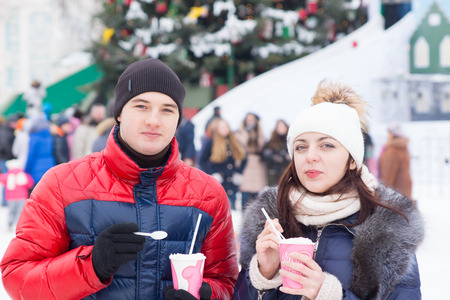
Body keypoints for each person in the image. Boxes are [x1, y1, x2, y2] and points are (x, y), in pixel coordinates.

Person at [1, 58, 238, 300]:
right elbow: (17, 277)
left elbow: (227, 283)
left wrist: (207, 296)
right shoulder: (62, 184)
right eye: (141, 106)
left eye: (167, 109)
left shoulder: (208, 194)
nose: (154, 120)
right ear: (119, 114)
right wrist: (91, 266)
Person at [232, 81, 424, 299]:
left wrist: (331, 294)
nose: (311, 156)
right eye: (301, 147)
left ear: (352, 160)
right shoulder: (269, 221)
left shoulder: (388, 226)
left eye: (327, 145)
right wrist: (263, 277)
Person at [198, 118, 247, 210]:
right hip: (218, 181)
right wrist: (211, 174)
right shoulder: (210, 142)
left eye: (226, 126)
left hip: (232, 182)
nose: (225, 129)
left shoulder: (234, 141)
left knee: (232, 209)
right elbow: (201, 160)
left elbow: (244, 157)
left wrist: (239, 172)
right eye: (222, 127)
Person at [235, 112, 267, 210]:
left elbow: (262, 145)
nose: (250, 122)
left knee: (256, 196)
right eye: (248, 120)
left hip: (257, 165)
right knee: (245, 195)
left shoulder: (260, 133)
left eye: (252, 120)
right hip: (245, 163)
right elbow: (240, 144)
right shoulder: (240, 132)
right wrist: (246, 133)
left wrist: (257, 131)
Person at [378, 122, 413, 200]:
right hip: (404, 190)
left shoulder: (392, 151)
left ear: (391, 134)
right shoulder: (403, 148)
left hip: (395, 194)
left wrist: (382, 196)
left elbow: (388, 177)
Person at [0, 159, 34, 231]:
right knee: (20, 212)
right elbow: (30, 183)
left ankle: (10, 224)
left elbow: (1, 179)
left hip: (10, 198)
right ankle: (18, 225)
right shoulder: (24, 175)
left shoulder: (7, 176)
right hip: (22, 197)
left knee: (11, 212)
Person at [262, 119, 291, 187]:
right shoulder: (272, 141)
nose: (281, 129)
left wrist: (289, 156)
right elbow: (264, 154)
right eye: (279, 127)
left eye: (282, 127)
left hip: (288, 172)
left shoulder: (291, 141)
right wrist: (274, 157)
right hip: (274, 172)